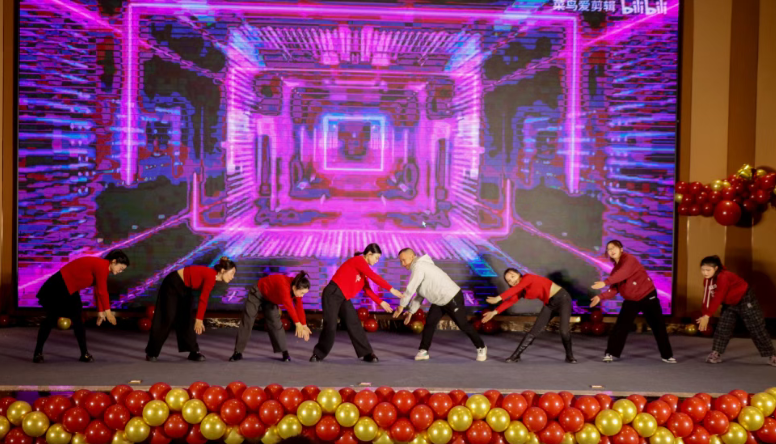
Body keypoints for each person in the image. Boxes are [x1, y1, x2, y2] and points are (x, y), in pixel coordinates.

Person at [310, 243, 402, 363]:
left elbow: (368, 290)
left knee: (354, 323)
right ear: (369, 254)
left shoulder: (363, 273)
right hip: (332, 294)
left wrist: (381, 302)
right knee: (331, 326)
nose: (377, 261)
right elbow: (374, 276)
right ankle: (318, 354)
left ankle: (367, 353)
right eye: (376, 257)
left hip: (343, 298)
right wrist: (392, 289)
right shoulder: (358, 260)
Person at [33, 250, 130, 363]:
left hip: (70, 289)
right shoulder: (102, 266)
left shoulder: (103, 268)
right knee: (51, 319)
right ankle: (38, 353)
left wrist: (100, 312)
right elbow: (102, 292)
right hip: (58, 286)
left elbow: (98, 291)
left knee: (77, 319)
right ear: (113, 261)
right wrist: (108, 313)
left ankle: (84, 354)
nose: (120, 271)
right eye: (120, 268)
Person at [393, 248, 487, 361]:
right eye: (401, 261)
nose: (403, 264)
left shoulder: (419, 266)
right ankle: (423, 351)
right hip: (439, 301)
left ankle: (481, 347)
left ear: (412, 257)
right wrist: (411, 311)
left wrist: (402, 305)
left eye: (404, 260)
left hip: (452, 297)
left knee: (463, 325)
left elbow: (411, 288)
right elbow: (420, 294)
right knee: (430, 323)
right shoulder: (419, 267)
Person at [590, 240, 675, 363]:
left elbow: (623, 273)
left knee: (658, 327)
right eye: (609, 249)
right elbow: (615, 288)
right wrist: (600, 297)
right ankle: (611, 353)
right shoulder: (615, 270)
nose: (611, 250)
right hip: (631, 300)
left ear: (621, 249)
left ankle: (667, 356)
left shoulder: (629, 259)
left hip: (647, 296)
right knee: (620, 327)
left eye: (614, 247)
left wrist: (605, 282)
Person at [145, 257, 237, 362]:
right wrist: (199, 320)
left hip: (185, 287)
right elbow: (203, 299)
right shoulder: (211, 276)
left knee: (186, 318)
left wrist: (198, 319)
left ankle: (193, 351)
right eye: (232, 273)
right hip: (173, 283)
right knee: (167, 318)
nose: (233, 277)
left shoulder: (213, 277)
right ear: (223, 271)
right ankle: (151, 352)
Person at [482, 268, 576, 363]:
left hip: (563, 299)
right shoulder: (521, 290)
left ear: (519, 274)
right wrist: (494, 312)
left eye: (513, 276)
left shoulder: (528, 278)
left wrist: (498, 298)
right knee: (534, 331)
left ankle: (569, 356)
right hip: (549, 304)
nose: (512, 281)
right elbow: (511, 301)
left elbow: (516, 288)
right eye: (509, 281)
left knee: (564, 331)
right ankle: (516, 356)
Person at [696, 255, 776, 366]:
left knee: (756, 328)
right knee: (723, 327)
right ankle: (716, 353)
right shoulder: (707, 281)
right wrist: (704, 315)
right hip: (729, 303)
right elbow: (707, 298)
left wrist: (707, 315)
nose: (705, 273)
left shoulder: (724, 276)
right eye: (703, 270)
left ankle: (772, 356)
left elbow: (719, 296)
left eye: (708, 270)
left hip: (745, 299)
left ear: (716, 268)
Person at [230, 271, 313, 362]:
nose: (302, 296)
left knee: (276, 323)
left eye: (304, 293)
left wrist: (304, 325)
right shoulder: (284, 286)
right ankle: (238, 352)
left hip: (270, 298)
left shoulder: (297, 287)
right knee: (247, 321)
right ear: (294, 288)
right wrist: (297, 324)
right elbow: (289, 306)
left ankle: (284, 351)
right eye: (302, 293)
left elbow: (299, 307)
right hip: (258, 292)